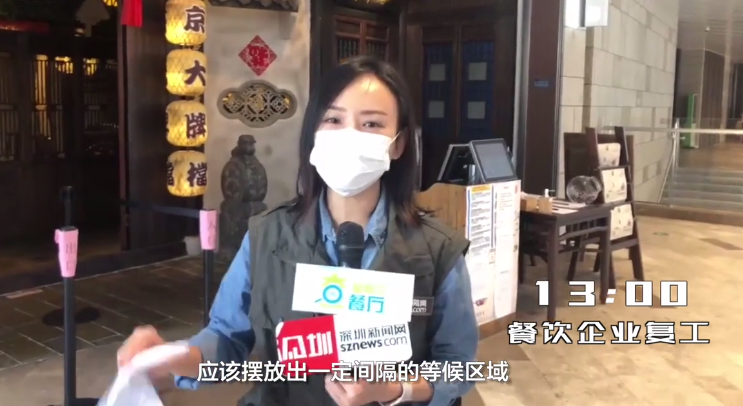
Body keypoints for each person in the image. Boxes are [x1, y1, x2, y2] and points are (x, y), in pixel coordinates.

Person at [118, 56, 479, 406]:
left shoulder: (437, 250)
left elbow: (459, 366)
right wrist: (172, 357)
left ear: (398, 144)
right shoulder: (266, 236)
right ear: (313, 135)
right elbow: (226, 338)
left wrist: (395, 389)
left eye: (371, 124)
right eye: (333, 119)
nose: (350, 135)